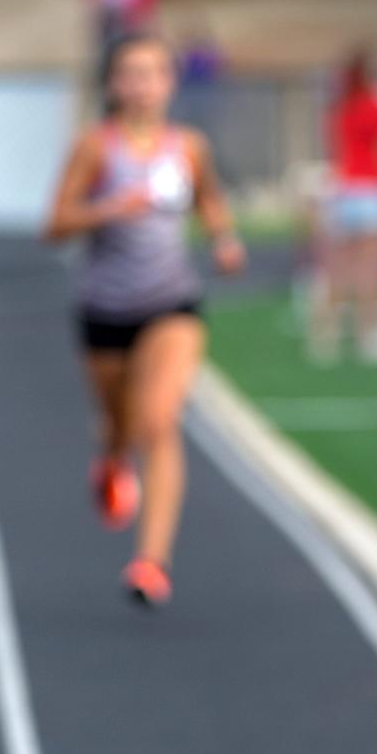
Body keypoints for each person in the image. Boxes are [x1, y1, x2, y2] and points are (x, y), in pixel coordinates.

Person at [44, 31, 245, 607]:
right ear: (112, 84)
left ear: (169, 83)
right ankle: (109, 456)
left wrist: (224, 239)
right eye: (130, 73)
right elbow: (54, 225)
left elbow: (209, 198)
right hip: (104, 311)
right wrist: (108, 209)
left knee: (157, 423)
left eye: (153, 73)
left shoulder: (188, 146)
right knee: (120, 427)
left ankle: (150, 562)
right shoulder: (94, 148)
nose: (142, 85)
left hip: (170, 305)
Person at [321, 49, 377, 361]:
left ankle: (327, 331)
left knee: (339, 267)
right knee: (371, 269)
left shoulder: (341, 106)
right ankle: (370, 332)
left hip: (344, 188)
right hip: (372, 190)